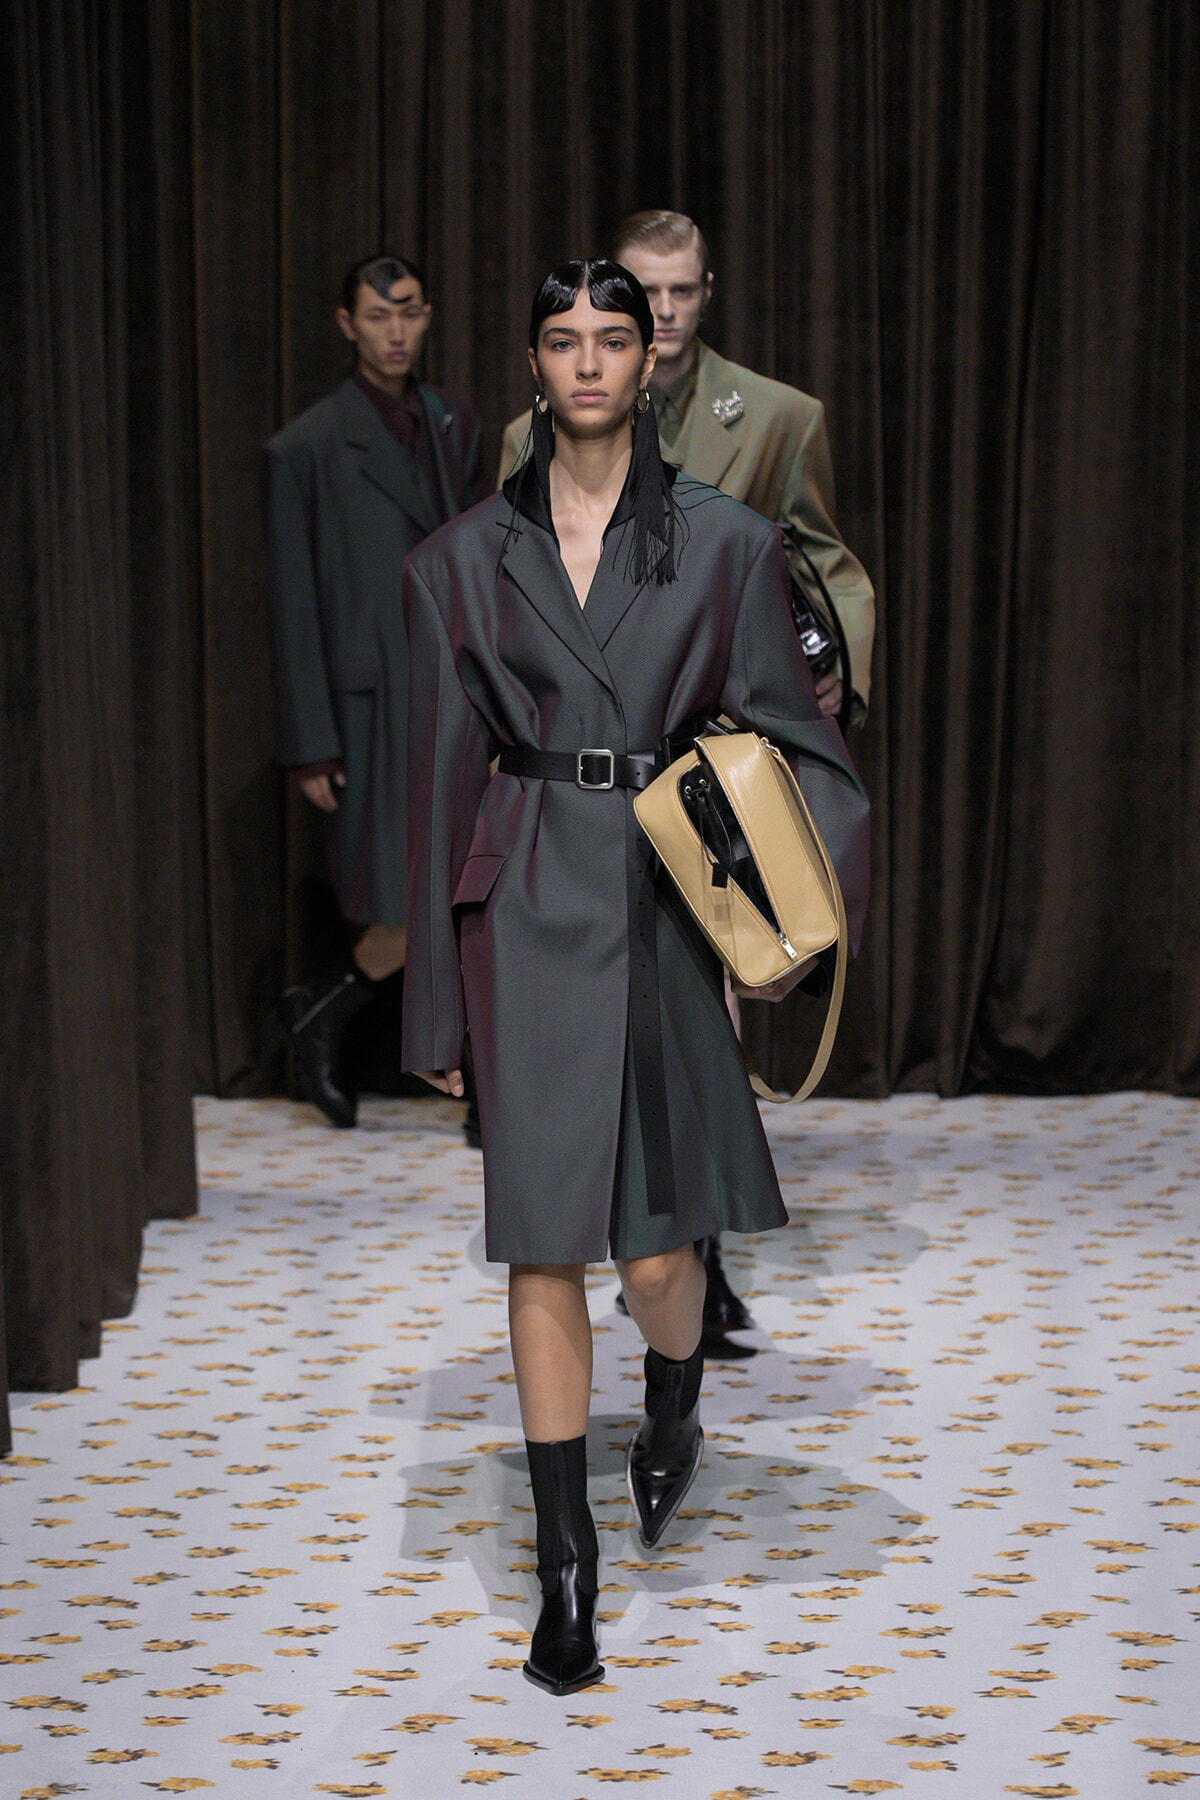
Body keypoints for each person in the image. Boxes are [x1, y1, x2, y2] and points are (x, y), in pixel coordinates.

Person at [396, 260, 870, 1696]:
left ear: (650, 362)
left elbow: (806, 737)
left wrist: (787, 901)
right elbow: (430, 795)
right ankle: (567, 1575)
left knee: (659, 1260)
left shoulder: (724, 547)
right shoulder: (461, 560)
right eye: (563, 340)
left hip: (664, 891)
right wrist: (433, 1005)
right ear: (535, 367)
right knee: (543, 1242)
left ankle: (673, 1397)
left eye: (615, 336)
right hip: (526, 894)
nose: (591, 361)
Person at [501, 211, 877, 1339]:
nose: (661, 313)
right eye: (643, 293)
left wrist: (826, 701)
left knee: (702, 1007)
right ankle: (668, 1254)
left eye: (681, 294)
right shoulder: (544, 423)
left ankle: (689, 1257)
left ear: (708, 295)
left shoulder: (771, 415)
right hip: (586, 773)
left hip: (718, 757)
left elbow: (826, 563)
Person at [265, 254, 482, 1129]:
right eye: (378, 316)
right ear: (347, 323)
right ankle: (325, 1012)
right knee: (408, 901)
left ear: (428, 318)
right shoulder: (307, 446)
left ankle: (333, 1015)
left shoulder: (455, 426)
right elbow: (292, 603)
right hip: (372, 712)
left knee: (475, 891)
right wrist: (310, 739)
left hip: (460, 696)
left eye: (411, 313)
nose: (397, 332)